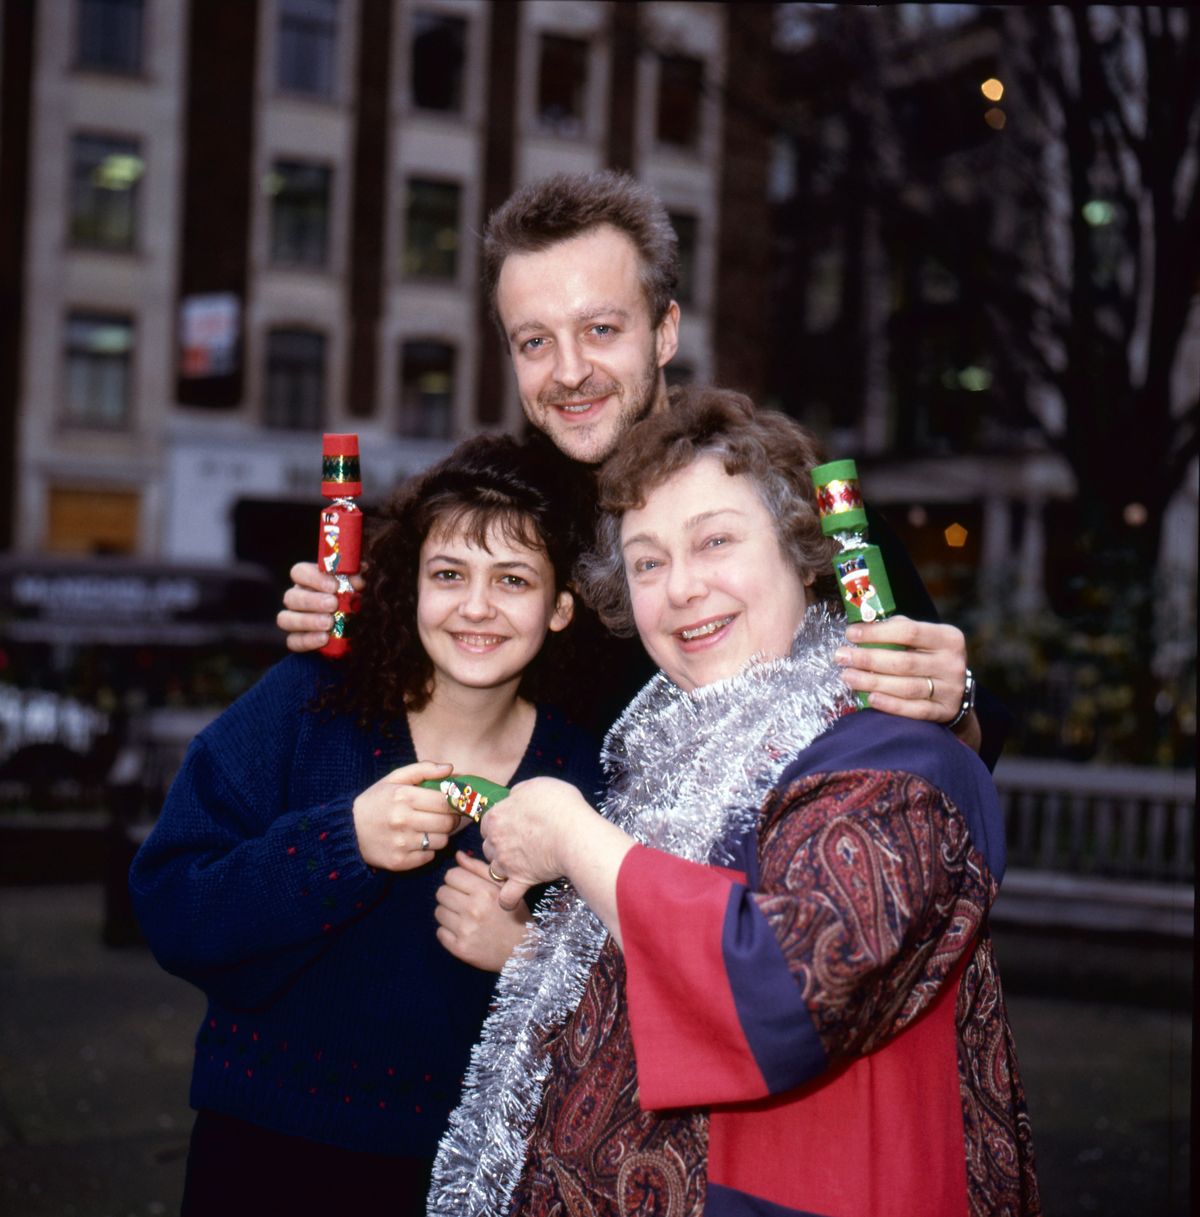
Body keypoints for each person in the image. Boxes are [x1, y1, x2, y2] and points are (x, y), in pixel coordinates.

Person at [429, 387, 1040, 1217]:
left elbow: (780, 989)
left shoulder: (892, 753)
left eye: (714, 540)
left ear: (801, 553)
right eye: (647, 561)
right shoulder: (672, 761)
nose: (681, 588)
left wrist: (574, 838)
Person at [277, 170, 1000, 764]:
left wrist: (953, 701)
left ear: (664, 332)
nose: (569, 372)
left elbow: (964, 744)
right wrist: (359, 626)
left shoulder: (788, 499)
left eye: (600, 329)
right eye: (535, 342)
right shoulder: (495, 521)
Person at [128, 435, 604, 1216]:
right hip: (262, 1151)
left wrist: (531, 958)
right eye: (449, 574)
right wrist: (340, 843)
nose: (476, 605)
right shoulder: (311, 703)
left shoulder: (583, 779)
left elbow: (635, 1004)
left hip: (466, 1174)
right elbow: (172, 906)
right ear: (409, 585)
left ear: (558, 607)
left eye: (512, 579)